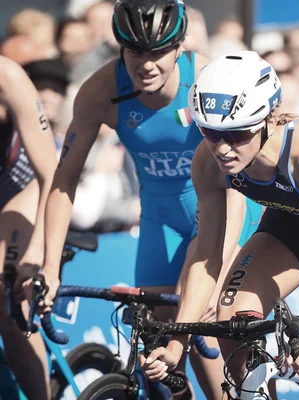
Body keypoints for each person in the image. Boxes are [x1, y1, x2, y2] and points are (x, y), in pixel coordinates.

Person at [140, 50, 299, 400]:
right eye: (210, 132)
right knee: (230, 322)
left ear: (266, 120)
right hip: (293, 222)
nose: (222, 148)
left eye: (236, 135)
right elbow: (206, 256)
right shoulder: (207, 162)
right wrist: (177, 342)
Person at [26, 0, 248, 398]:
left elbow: (238, 180)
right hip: (160, 216)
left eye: (159, 52)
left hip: (222, 206)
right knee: (158, 346)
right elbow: (64, 181)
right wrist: (50, 265)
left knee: (197, 325)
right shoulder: (101, 90)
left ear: (179, 47)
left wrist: (222, 263)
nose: (147, 64)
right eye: (136, 52)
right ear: (120, 49)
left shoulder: (206, 79)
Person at [0, 55, 57, 400]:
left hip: (28, 189)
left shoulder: (8, 77)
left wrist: (37, 249)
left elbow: (52, 174)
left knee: (8, 302)